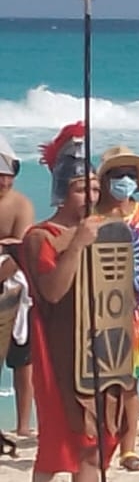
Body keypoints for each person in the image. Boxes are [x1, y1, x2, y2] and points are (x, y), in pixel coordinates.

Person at [20, 128, 132, 482]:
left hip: (98, 344)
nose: (90, 192)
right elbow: (51, 290)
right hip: (55, 349)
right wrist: (78, 245)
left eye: (93, 185)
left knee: (93, 442)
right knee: (55, 447)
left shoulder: (106, 230)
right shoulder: (40, 237)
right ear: (62, 190)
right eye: (80, 186)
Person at [95, 145, 139, 471]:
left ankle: (128, 447)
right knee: (103, 378)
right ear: (106, 179)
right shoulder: (92, 216)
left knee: (131, 381)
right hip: (100, 304)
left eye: (131, 175)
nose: (125, 181)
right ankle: (102, 442)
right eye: (119, 174)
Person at [0, 136, 37, 437]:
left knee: (22, 362)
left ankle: (23, 425)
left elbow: (20, 250)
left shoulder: (21, 204)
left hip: (14, 284)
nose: (3, 181)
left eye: (7, 176)